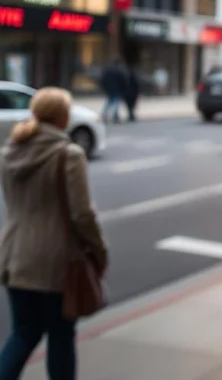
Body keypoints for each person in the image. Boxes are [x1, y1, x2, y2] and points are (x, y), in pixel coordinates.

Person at [0, 87, 108, 379]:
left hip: (14, 256)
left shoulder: (8, 153)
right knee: (60, 337)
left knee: (23, 333)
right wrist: (99, 251)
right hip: (55, 263)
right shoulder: (68, 155)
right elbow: (82, 215)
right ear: (62, 117)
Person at [99, 58, 127, 125]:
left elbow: (103, 80)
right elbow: (123, 82)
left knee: (109, 103)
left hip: (110, 90)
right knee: (115, 103)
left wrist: (106, 89)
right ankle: (115, 117)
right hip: (117, 90)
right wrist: (123, 90)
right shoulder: (119, 71)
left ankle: (104, 115)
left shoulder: (108, 71)